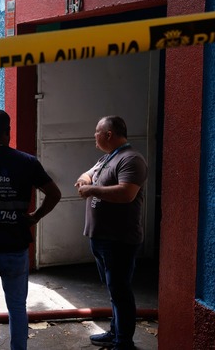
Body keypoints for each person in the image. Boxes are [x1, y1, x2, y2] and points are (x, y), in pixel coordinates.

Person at [0, 109, 61, 350]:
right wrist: (34, 217)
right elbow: (54, 194)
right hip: (15, 246)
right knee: (17, 307)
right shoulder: (27, 162)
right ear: (9, 131)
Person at [75, 116, 148, 350]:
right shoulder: (108, 158)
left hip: (119, 239)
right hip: (101, 237)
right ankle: (115, 333)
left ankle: (123, 342)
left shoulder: (131, 159)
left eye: (97, 131)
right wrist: (86, 181)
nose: (93, 135)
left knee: (120, 291)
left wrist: (91, 189)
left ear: (108, 134)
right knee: (113, 289)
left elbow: (127, 193)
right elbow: (86, 174)